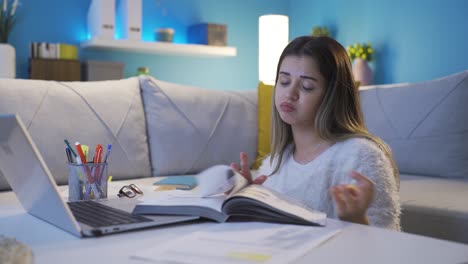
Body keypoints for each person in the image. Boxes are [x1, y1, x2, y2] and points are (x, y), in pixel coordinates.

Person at [231, 36, 400, 230]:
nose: (290, 93)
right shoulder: (274, 163)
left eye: (306, 86)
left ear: (332, 96)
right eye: (284, 81)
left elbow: (385, 246)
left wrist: (357, 221)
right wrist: (247, 201)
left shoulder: (361, 156)